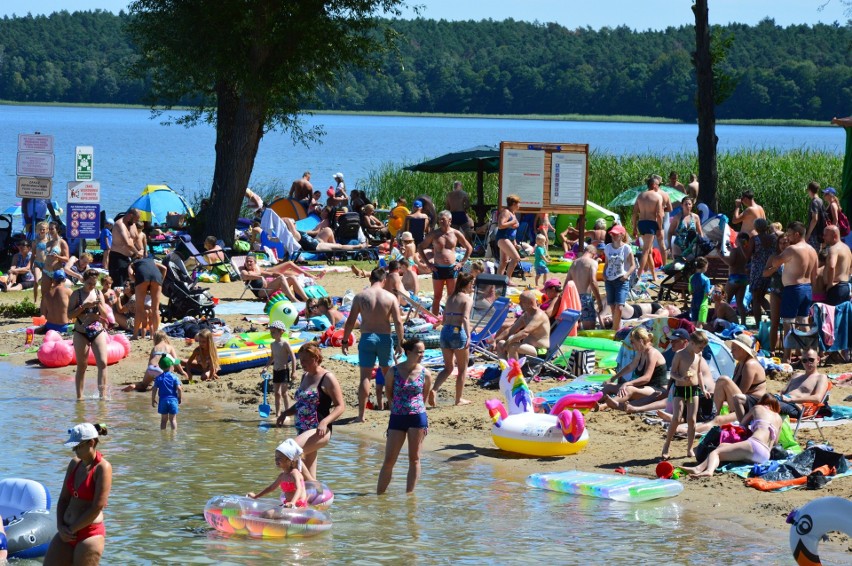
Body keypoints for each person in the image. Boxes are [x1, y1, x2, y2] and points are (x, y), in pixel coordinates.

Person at [342, 268, 404, 421]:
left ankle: (361, 415)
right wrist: (400, 343)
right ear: (384, 281)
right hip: (384, 338)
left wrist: (345, 340)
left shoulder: (360, 296)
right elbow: (398, 322)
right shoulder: (390, 297)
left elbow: (350, 321)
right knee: (388, 375)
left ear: (370, 279)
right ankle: (394, 411)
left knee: (365, 377)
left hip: (367, 337)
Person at [45, 423, 112, 566]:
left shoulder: (103, 468)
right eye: (74, 447)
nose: (75, 451)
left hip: (89, 535)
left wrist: (71, 529)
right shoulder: (74, 464)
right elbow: (63, 499)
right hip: (66, 532)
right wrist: (60, 527)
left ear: (91, 442)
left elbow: (97, 507)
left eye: (78, 447)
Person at [276, 343, 346, 479]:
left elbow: (340, 406)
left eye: (306, 360)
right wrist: (285, 413)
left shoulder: (327, 377)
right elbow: (301, 404)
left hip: (319, 430)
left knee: (287, 452)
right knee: (306, 469)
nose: (302, 363)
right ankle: (313, 495)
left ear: (316, 358)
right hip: (302, 430)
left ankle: (314, 485)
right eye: (301, 360)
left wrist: (325, 422)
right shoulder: (305, 376)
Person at [377, 338, 432, 495]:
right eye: (419, 352)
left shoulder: (425, 373)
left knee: (414, 458)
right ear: (408, 352)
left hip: (417, 417)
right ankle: (379, 497)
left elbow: (424, 396)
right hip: (397, 417)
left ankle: (409, 496)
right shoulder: (393, 371)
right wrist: (395, 406)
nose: (422, 355)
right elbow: (388, 391)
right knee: (389, 460)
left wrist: (418, 408)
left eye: (423, 352)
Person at [683, 394, 782, 477]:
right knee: (722, 446)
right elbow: (776, 441)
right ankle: (698, 468)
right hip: (765, 456)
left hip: (755, 445)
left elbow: (742, 424)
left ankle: (709, 471)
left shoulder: (757, 407)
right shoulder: (779, 418)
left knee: (716, 452)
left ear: (762, 402)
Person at [767, 221, 818, 363]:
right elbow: (815, 274)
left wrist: (781, 253)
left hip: (793, 289)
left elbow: (775, 262)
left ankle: (786, 357)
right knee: (804, 322)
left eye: (789, 235)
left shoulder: (792, 249)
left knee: (788, 323)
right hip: (807, 288)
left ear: (797, 234)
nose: (788, 238)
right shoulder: (812, 250)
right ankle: (809, 355)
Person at [661, 331, 710, 460]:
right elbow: (672, 373)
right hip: (680, 389)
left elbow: (698, 373)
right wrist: (681, 378)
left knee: (692, 420)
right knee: (676, 418)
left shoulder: (698, 355)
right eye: (700, 347)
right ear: (692, 343)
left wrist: (703, 389)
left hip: (693, 389)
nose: (702, 349)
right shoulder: (680, 354)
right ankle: (666, 445)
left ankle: (689, 448)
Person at [418, 210, 473, 317]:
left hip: (452, 268)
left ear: (450, 220)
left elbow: (469, 248)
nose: (441, 221)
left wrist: (461, 263)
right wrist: (428, 264)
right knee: (437, 296)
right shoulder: (434, 234)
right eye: (440, 219)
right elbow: (420, 247)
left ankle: (449, 317)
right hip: (438, 268)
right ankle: (434, 319)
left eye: (444, 219)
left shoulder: (456, 233)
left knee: (451, 296)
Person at [431, 273, 474, 407]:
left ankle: (434, 389)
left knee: (448, 367)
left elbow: (444, 319)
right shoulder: (467, 299)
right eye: (472, 283)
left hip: (445, 332)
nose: (473, 285)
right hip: (457, 331)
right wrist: (468, 336)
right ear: (467, 284)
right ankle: (458, 399)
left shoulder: (450, 297)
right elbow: (465, 318)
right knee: (462, 369)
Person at [600, 326, 667, 410]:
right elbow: (630, 366)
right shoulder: (641, 352)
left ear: (641, 341)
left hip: (658, 389)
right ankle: (592, 400)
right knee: (609, 386)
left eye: (632, 342)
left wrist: (627, 383)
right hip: (646, 387)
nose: (631, 344)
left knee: (629, 389)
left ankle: (603, 406)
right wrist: (613, 378)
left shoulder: (652, 353)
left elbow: (647, 378)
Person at [69, 269, 110, 400]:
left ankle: (102, 396)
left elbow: (105, 315)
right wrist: (83, 306)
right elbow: (69, 315)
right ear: (83, 281)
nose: (91, 286)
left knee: (103, 363)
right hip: (81, 332)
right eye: (89, 283)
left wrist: (98, 307)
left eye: (94, 283)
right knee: (82, 365)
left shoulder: (98, 293)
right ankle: (79, 397)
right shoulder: (76, 294)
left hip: (97, 331)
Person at [713, 334, 767, 421]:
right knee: (721, 382)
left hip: (752, 404)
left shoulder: (750, 365)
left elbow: (742, 392)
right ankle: (716, 413)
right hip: (741, 401)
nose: (731, 352)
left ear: (743, 350)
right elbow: (734, 388)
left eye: (734, 349)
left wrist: (726, 401)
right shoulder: (740, 364)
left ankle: (717, 413)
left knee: (723, 380)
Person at [247, 439, 310, 509]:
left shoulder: (295, 473)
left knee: (269, 514)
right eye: (275, 458)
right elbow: (271, 488)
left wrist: (292, 503)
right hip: (287, 504)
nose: (276, 460)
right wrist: (256, 496)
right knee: (267, 513)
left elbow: (299, 489)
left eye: (279, 458)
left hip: (298, 505)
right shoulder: (282, 476)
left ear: (289, 460)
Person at [495, 290, 550, 360]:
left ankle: (514, 370)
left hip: (540, 351)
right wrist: (495, 341)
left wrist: (508, 342)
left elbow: (525, 333)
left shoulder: (539, 315)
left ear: (530, 303)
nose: (519, 303)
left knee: (512, 346)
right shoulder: (526, 315)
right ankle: (505, 369)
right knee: (500, 343)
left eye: (522, 302)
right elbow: (510, 330)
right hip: (526, 348)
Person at [776, 348, 830, 418]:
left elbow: (817, 398)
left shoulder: (821, 377)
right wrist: (773, 396)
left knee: (768, 405)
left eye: (811, 360)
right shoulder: (796, 375)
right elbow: (782, 392)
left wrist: (792, 399)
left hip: (796, 407)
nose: (808, 363)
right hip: (782, 400)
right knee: (760, 400)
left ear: (818, 359)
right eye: (804, 360)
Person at [632, 175, 665, 280]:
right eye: (658, 185)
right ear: (654, 185)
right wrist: (660, 229)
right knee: (646, 250)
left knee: (649, 250)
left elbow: (634, 213)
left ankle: (654, 275)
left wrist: (634, 227)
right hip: (651, 223)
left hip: (641, 223)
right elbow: (659, 215)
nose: (658, 187)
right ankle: (638, 275)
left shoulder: (640, 196)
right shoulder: (657, 196)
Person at [762, 232, 790, 352]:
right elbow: (764, 273)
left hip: (789, 291)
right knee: (774, 322)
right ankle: (772, 349)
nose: (783, 245)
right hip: (776, 291)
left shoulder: (792, 256)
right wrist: (775, 267)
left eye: (785, 242)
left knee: (788, 323)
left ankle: (788, 350)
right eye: (781, 243)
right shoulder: (774, 257)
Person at [263, 321, 297, 421]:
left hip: (284, 370)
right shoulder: (272, 344)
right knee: (276, 393)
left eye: (274, 332)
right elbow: (272, 358)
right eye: (271, 332)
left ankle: (287, 412)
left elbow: (293, 357)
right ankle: (278, 413)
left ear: (281, 332)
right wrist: (266, 367)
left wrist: (293, 371)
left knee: (284, 393)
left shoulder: (285, 343)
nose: (272, 334)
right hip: (276, 370)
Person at [603, 224, 635, 331]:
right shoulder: (607, 247)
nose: (614, 236)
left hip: (621, 279)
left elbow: (633, 265)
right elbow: (606, 264)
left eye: (616, 234)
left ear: (622, 235)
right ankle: (616, 326)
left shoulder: (626, 248)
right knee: (612, 306)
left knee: (619, 306)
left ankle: (615, 329)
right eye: (612, 234)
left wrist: (626, 275)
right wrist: (604, 273)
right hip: (609, 280)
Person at [564, 244, 603, 330]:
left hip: (574, 297)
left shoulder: (574, 263)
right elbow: (593, 281)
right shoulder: (592, 262)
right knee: (589, 329)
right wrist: (599, 301)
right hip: (586, 297)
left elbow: (567, 282)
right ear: (593, 253)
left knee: (576, 327)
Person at [746, 218, 777, 323]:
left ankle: (758, 323)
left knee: (756, 298)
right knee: (761, 296)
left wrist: (742, 246)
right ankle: (773, 318)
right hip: (770, 270)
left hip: (757, 271)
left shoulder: (754, 239)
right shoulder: (773, 239)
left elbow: (747, 255)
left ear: (756, 227)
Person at [128, 257, 165, 340]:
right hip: (157, 276)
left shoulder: (133, 263)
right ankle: (156, 335)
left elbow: (130, 273)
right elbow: (164, 268)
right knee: (155, 309)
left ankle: (135, 335)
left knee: (139, 310)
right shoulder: (151, 261)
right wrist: (161, 280)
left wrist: (136, 281)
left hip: (142, 277)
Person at [720, 232, 750, 326]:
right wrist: (731, 249)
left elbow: (731, 262)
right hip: (744, 278)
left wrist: (720, 255)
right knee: (740, 303)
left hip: (734, 278)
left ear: (738, 240)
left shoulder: (735, 250)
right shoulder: (747, 251)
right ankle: (744, 323)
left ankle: (724, 320)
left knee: (725, 300)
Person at [109, 208, 141, 288]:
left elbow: (136, 238)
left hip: (131, 257)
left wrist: (142, 250)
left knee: (130, 284)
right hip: (118, 257)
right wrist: (138, 253)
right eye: (135, 219)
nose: (136, 222)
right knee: (119, 284)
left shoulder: (132, 224)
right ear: (130, 215)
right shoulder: (120, 224)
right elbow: (127, 243)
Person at [822, 225, 852, 306]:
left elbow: (832, 266)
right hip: (845, 286)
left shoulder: (834, 249)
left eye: (825, 235)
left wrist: (830, 284)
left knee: (833, 316)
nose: (823, 237)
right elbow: (850, 267)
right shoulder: (847, 248)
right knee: (841, 316)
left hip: (836, 288)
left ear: (834, 236)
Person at [152, 355, 182, 430]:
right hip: (173, 400)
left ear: (160, 367)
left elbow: (154, 388)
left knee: (163, 421)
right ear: (171, 366)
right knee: (173, 420)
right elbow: (179, 388)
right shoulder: (174, 377)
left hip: (162, 401)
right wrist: (179, 398)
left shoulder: (158, 378)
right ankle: (174, 436)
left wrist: (153, 399)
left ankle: (163, 436)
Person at [495, 194, 522, 279]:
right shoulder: (506, 212)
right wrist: (512, 222)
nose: (519, 205)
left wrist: (514, 242)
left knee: (504, 262)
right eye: (518, 203)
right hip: (503, 238)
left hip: (509, 239)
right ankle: (508, 279)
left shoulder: (512, 213)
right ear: (514, 203)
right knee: (516, 258)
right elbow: (500, 225)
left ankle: (498, 280)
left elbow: (512, 230)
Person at [690, 257, 712, 328]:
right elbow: (707, 293)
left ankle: (692, 337)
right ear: (704, 267)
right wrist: (713, 288)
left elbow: (691, 291)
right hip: (703, 303)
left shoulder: (691, 277)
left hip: (694, 302)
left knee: (693, 323)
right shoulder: (706, 279)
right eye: (707, 267)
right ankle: (698, 338)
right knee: (700, 324)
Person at [30, 221, 49, 303]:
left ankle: (45, 299)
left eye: (43, 229)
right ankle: (35, 300)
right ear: (37, 230)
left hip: (46, 263)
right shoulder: (35, 241)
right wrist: (30, 265)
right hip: (37, 263)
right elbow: (33, 254)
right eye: (40, 229)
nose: (42, 231)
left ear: (47, 230)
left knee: (46, 282)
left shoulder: (49, 240)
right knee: (36, 281)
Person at [805, 181, 827, 251]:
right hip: (820, 232)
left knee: (813, 254)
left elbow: (815, 219)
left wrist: (808, 234)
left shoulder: (814, 202)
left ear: (809, 190)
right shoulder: (820, 200)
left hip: (814, 234)